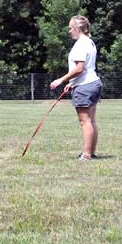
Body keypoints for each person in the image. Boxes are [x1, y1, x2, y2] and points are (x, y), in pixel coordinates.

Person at [49, 15, 102, 161]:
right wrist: (71, 84)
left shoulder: (80, 44)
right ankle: (90, 152)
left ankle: (86, 155)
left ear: (78, 28)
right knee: (91, 120)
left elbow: (79, 68)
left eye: (70, 28)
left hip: (85, 86)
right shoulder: (89, 42)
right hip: (93, 83)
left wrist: (61, 79)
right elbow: (85, 69)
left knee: (85, 121)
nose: (69, 31)